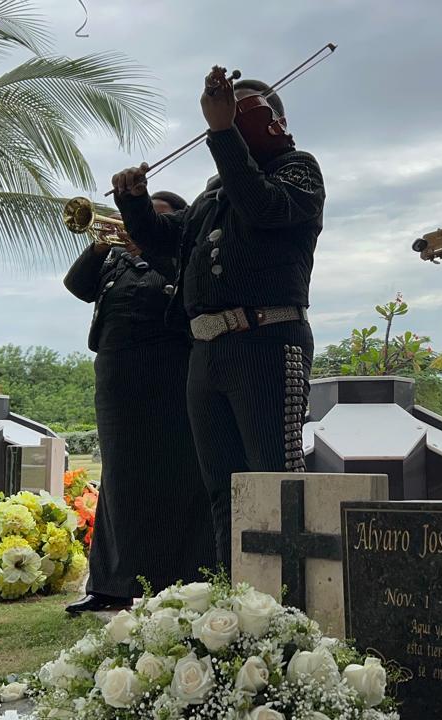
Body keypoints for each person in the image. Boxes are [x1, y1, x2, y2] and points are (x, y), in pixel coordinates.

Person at [111, 68, 324, 569]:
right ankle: (235, 600)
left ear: (280, 120)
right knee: (222, 486)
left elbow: (265, 208)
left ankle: (291, 607)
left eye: (245, 111)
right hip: (207, 351)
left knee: (276, 479)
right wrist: (135, 205)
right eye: (228, 110)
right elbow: (170, 246)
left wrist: (224, 132)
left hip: (268, 339)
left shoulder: (297, 169)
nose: (233, 117)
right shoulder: (212, 194)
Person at [62, 191, 217, 614]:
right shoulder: (113, 259)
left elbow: (192, 296)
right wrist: (98, 245)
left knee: (179, 472)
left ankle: (180, 581)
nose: (135, 225)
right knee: (119, 475)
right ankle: (110, 584)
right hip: (116, 375)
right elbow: (77, 286)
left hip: (171, 370)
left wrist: (154, 244)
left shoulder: (184, 257)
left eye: (152, 218)